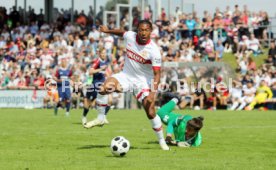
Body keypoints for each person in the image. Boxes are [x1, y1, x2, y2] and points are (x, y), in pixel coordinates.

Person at [84, 20, 169, 150]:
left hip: (143, 82)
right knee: (104, 88)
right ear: (137, 30)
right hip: (126, 76)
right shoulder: (130, 36)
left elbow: (157, 74)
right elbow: (121, 32)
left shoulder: (154, 51)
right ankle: (101, 118)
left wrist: (152, 94)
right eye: (141, 29)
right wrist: (107, 31)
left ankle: (162, 141)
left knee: (151, 112)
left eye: (146, 30)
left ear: (150, 31)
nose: (143, 32)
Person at [82, 48, 110, 125]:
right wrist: (100, 69)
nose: (104, 54)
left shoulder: (106, 61)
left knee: (109, 100)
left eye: (105, 53)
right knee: (88, 103)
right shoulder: (97, 61)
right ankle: (84, 117)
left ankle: (104, 117)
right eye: (102, 53)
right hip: (94, 84)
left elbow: (105, 72)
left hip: (102, 85)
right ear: (99, 54)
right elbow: (90, 72)